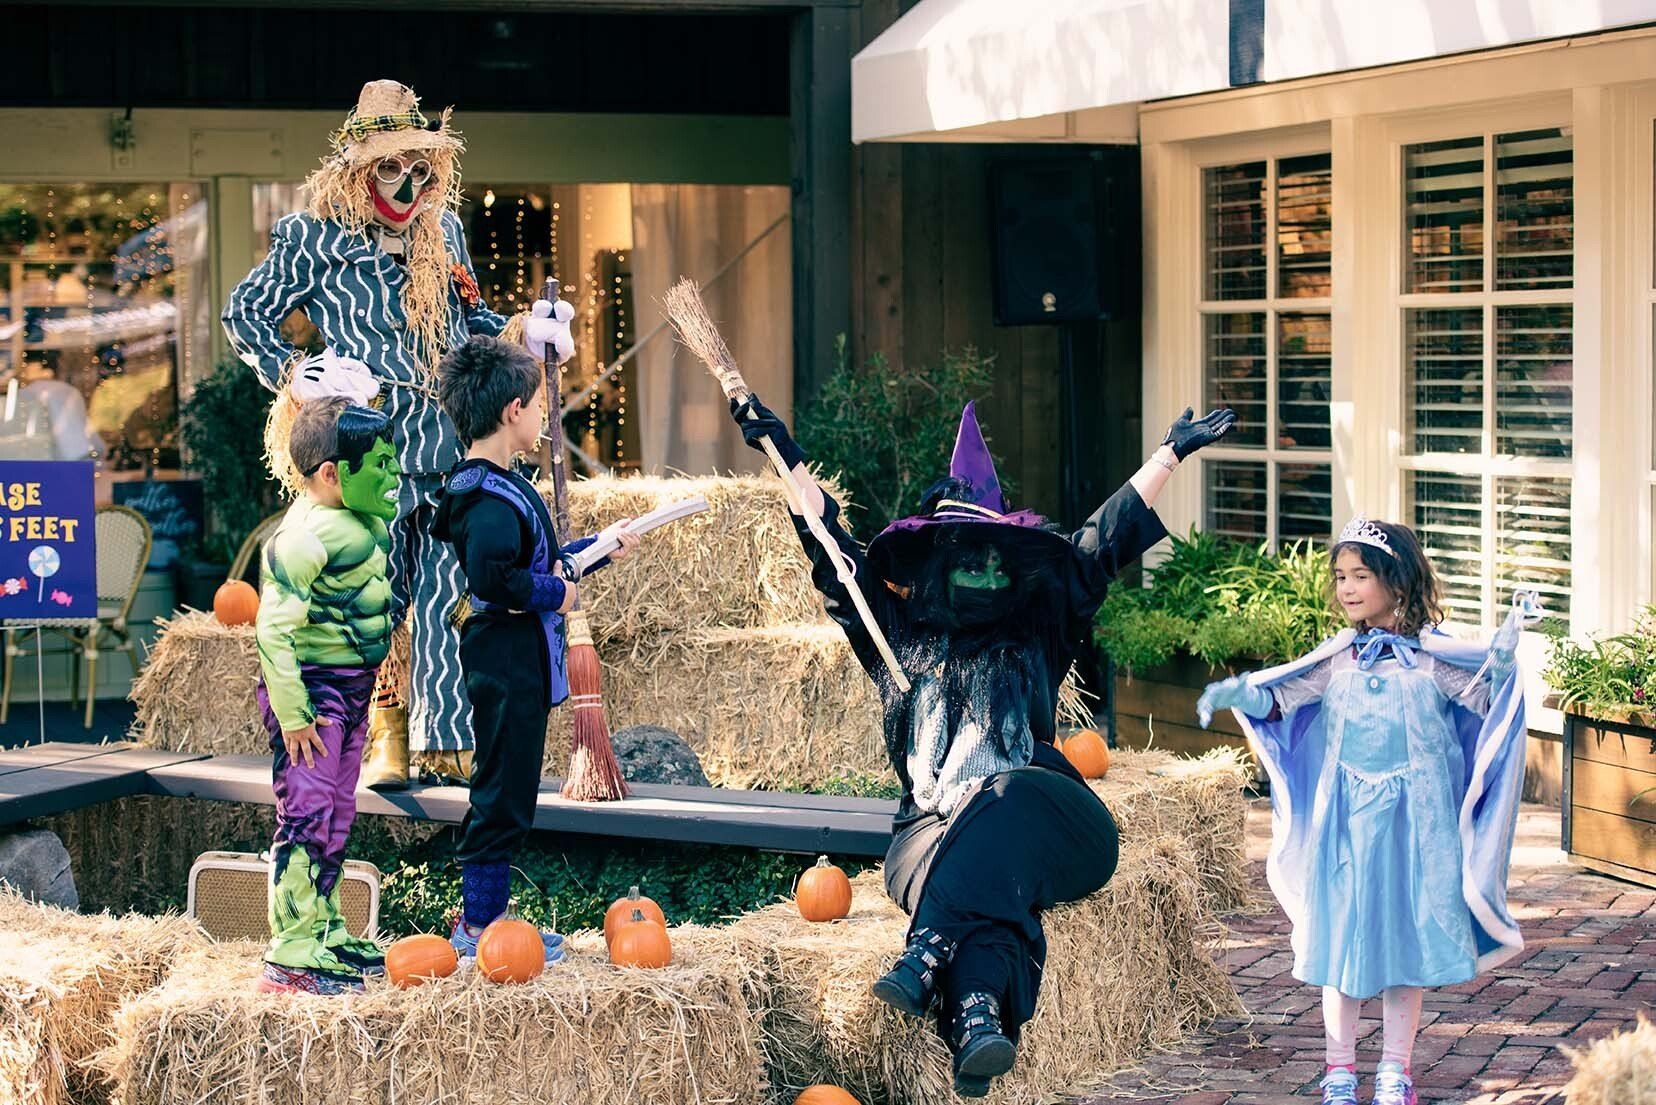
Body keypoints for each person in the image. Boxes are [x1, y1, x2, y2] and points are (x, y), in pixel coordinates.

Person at [726, 395, 1235, 1097]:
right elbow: (832, 554)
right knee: (993, 898)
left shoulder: (1036, 631)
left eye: (1001, 565)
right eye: (974, 563)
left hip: (1052, 828)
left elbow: (1099, 546)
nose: (991, 577)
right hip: (926, 840)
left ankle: (925, 949)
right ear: (938, 565)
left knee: (1010, 788)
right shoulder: (896, 641)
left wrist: (1168, 454)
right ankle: (976, 1015)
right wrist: (784, 458)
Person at [223, 79, 575, 791]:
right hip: (369, 454)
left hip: (448, 448)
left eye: (419, 167)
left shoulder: (441, 234)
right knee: (373, 599)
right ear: (358, 167)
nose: (406, 181)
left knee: (453, 598)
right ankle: (383, 739)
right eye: (390, 166)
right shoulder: (313, 239)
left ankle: (444, 744)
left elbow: (471, 324)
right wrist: (298, 371)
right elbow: (243, 314)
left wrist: (522, 336)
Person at [1197, 518, 1539, 1105]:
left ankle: (1394, 1072)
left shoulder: (1433, 660)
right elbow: (1283, 699)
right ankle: (1338, 1070)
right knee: (1344, 943)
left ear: (1397, 582)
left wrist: (1505, 650)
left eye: (1361, 575)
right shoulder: (1337, 661)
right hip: (1345, 828)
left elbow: (1490, 700)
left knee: (1405, 944)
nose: (1347, 588)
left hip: (1417, 828)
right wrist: (1244, 693)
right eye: (1340, 577)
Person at [430, 336, 641, 958]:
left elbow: (541, 568)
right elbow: (495, 579)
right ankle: (479, 928)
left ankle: (487, 922)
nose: (546, 415)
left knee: (514, 785)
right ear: (512, 411)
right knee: (502, 788)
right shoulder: (486, 498)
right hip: (504, 656)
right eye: (539, 403)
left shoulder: (498, 484)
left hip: (516, 651)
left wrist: (601, 548)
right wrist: (555, 593)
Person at [253, 397, 399, 995]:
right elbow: (272, 628)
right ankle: (290, 951)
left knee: (337, 811)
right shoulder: (303, 536)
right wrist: (294, 715)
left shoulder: (364, 523)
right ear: (333, 473)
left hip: (352, 691)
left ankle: (325, 929)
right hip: (311, 696)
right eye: (381, 465)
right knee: (307, 813)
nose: (393, 476)